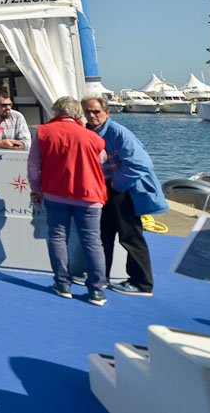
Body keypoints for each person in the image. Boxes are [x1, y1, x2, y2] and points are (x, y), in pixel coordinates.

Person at [82, 96, 168, 296]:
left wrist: (116, 185)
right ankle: (100, 276)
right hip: (103, 190)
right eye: (88, 111)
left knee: (130, 237)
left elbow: (140, 163)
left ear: (106, 112)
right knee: (103, 235)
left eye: (96, 111)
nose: (92, 115)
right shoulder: (87, 132)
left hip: (123, 190)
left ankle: (142, 283)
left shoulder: (118, 132)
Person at [27, 96, 109, 306]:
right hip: (89, 195)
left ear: (55, 112)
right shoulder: (92, 137)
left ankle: (62, 284)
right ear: (78, 114)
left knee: (57, 237)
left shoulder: (43, 132)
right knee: (92, 242)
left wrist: (35, 188)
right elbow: (102, 159)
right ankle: (96, 291)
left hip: (55, 193)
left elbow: (33, 166)